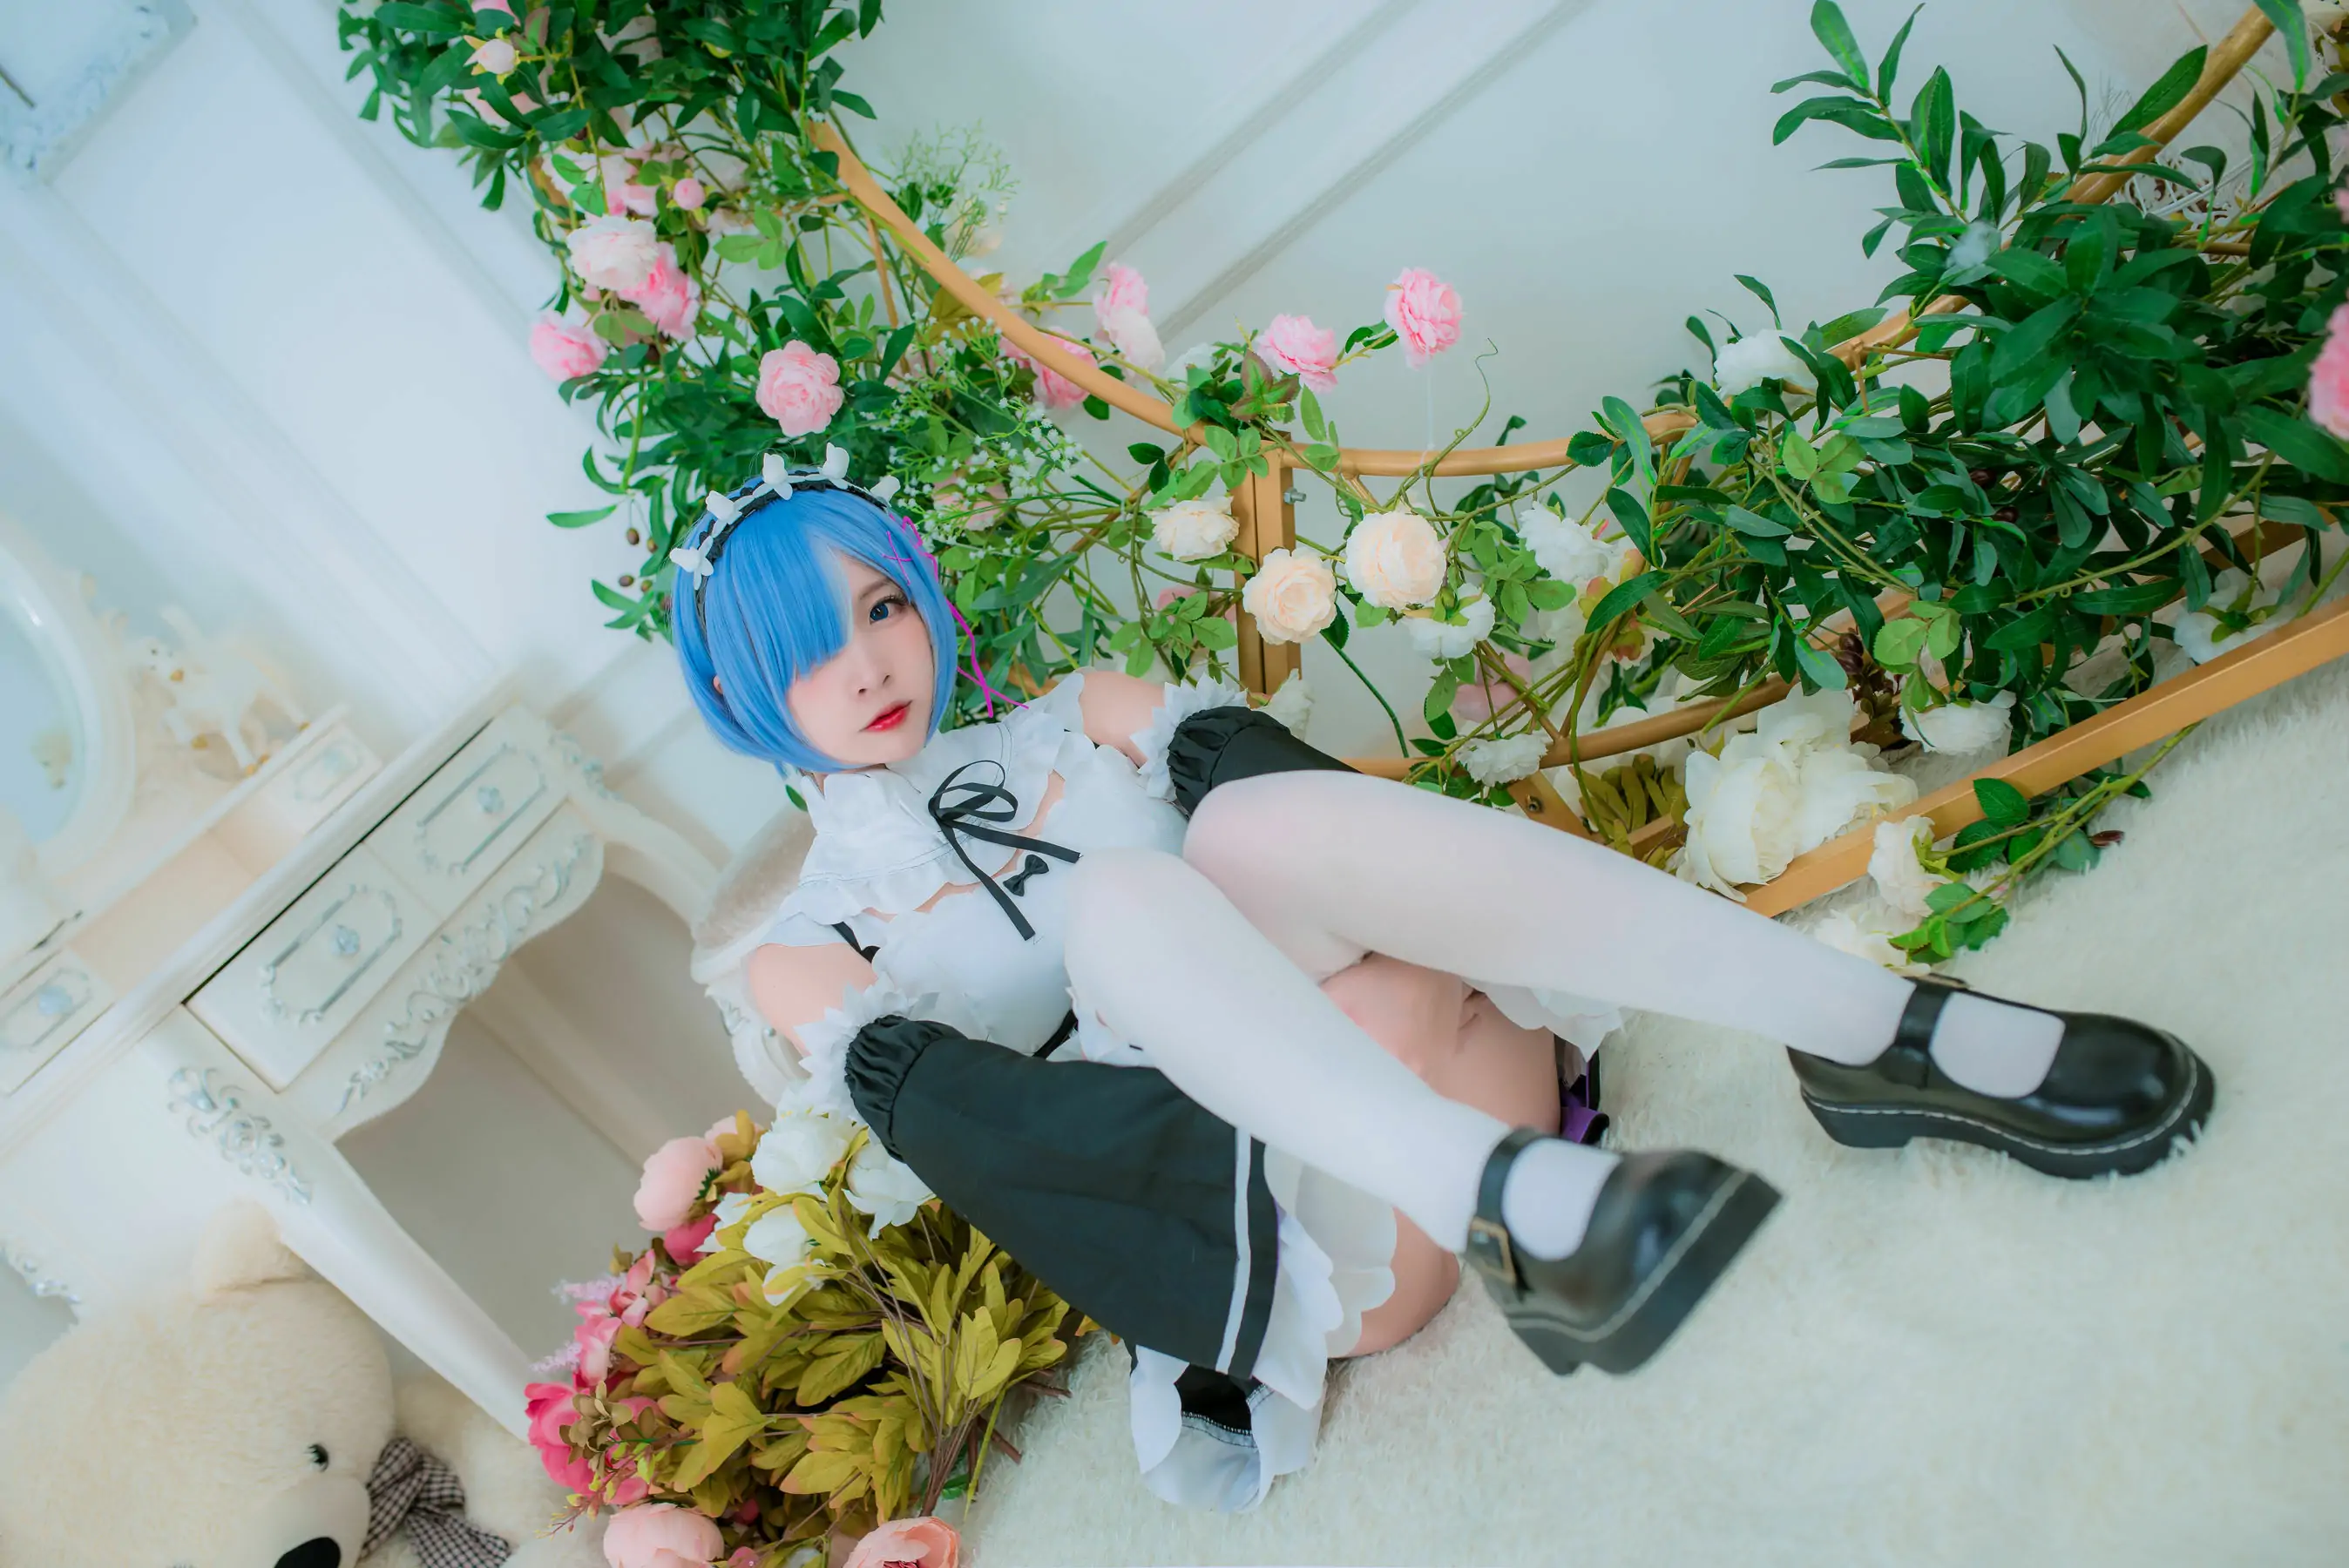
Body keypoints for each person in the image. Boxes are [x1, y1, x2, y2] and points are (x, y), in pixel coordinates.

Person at [674, 456, 2215, 1511]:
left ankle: (1867, 1031)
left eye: (882, 607)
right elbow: (1029, 1154)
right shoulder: (812, 951)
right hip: (1313, 1229)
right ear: (741, 692)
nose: (870, 666)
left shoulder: (1086, 713)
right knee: (1132, 899)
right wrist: (1360, 1012)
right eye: (812, 647)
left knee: (1248, 821)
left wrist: (1374, 977)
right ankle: (1511, 1192)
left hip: (1457, 1053)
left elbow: (1347, 837)